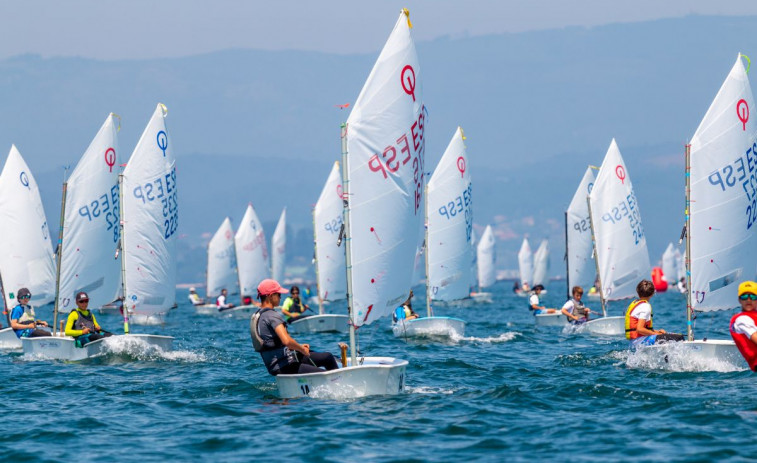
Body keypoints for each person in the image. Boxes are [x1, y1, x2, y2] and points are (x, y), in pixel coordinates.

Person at [250, 279, 338, 375]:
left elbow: (275, 343)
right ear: (271, 296)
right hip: (286, 365)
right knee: (328, 359)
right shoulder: (272, 315)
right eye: (279, 294)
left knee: (326, 357)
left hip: (275, 366)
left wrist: (299, 347)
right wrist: (302, 349)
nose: (280, 297)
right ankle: (339, 384)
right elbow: (286, 341)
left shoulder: (259, 315)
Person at [625, 279, 684, 346]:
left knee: (667, 336)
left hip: (634, 341)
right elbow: (640, 329)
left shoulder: (635, 303)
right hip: (640, 341)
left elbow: (642, 329)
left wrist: (657, 331)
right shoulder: (645, 306)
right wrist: (655, 334)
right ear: (652, 293)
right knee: (679, 338)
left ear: (638, 292)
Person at [729, 281, 757, 371]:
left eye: (752, 297)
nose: (748, 300)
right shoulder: (742, 320)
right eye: (744, 297)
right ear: (739, 300)